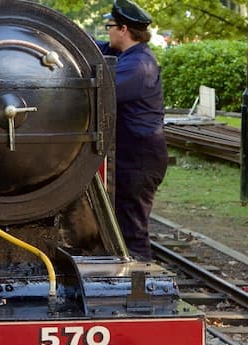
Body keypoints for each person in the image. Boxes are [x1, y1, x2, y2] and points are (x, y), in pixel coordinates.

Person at [97, 0, 168, 261]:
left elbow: (100, 91)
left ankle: (140, 286)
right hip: (132, 155)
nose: (108, 32)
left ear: (124, 29)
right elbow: (97, 48)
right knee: (123, 224)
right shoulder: (125, 56)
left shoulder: (139, 66)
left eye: (110, 27)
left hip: (140, 158)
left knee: (133, 231)